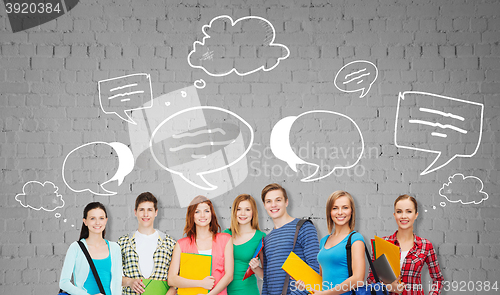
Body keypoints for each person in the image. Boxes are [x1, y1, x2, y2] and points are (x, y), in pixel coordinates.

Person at [367, 194, 444, 295]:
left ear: (416, 215)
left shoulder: (426, 246)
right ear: (394, 215)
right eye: (399, 211)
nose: (403, 216)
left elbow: (438, 280)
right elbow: (370, 281)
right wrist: (389, 287)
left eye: (409, 211)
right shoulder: (382, 243)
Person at [298, 190, 366, 294]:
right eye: (335, 208)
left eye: (345, 207)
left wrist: (325, 294)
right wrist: (305, 284)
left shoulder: (355, 239)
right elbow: (321, 280)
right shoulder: (324, 241)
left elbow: (358, 279)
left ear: (351, 211)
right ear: (329, 212)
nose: (340, 212)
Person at [260, 183, 320, 295]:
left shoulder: (303, 227)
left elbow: (315, 267)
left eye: (278, 200)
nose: (273, 205)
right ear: (264, 205)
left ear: (286, 202)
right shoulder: (267, 239)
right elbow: (267, 279)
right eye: (269, 201)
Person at [168, 196, 234, 295]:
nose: (202, 215)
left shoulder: (225, 239)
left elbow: (229, 276)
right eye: (197, 212)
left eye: (206, 211)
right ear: (192, 215)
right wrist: (201, 283)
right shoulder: (181, 245)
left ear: (212, 214)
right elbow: (172, 279)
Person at [118, 192, 177, 295]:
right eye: (141, 210)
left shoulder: (170, 243)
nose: (145, 214)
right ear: (135, 212)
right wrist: (129, 281)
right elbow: (113, 276)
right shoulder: (122, 243)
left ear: (156, 212)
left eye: (149, 210)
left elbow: (177, 279)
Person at [59, 202, 122, 295]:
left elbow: (117, 282)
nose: (97, 222)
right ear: (85, 221)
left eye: (101, 218)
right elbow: (64, 283)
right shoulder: (76, 248)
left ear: (106, 220)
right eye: (92, 218)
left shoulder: (115, 248)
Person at [222, 194, 266, 295]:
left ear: (253, 212)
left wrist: (256, 268)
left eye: (247, 209)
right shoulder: (225, 235)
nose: (243, 213)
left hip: (248, 291)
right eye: (239, 209)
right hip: (223, 290)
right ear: (234, 212)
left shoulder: (260, 237)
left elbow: (265, 276)